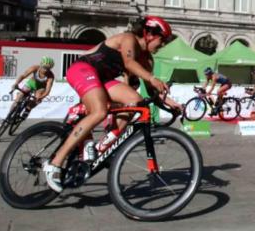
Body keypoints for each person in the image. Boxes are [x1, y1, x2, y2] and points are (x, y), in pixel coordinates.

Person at [43, 16, 180, 192]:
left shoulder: (146, 60)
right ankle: (55, 163)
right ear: (149, 33)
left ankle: (103, 145)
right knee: (99, 111)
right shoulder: (128, 38)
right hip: (83, 69)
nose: (163, 45)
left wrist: (171, 105)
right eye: (163, 40)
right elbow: (129, 62)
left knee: (136, 102)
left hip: (103, 79)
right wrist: (152, 78)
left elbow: (151, 92)